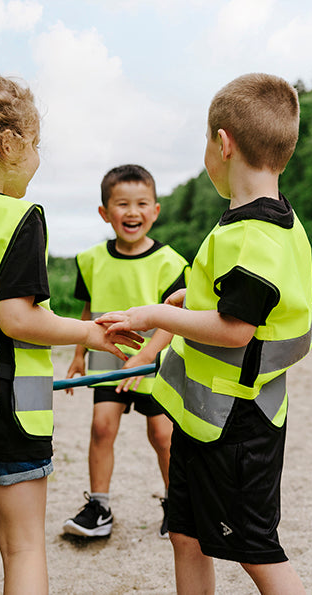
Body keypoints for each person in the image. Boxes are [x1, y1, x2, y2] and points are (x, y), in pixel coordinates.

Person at [0, 71, 141, 595]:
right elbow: (16, 319)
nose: (38, 155)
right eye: (35, 143)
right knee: (24, 547)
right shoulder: (19, 217)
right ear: (10, 144)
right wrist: (90, 334)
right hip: (6, 413)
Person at [97, 73, 312, 594]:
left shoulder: (255, 237)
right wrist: (186, 302)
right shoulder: (249, 224)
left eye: (204, 141)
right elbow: (236, 302)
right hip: (202, 420)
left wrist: (155, 315)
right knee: (185, 535)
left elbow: (236, 329)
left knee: (257, 551)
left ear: (223, 143)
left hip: (239, 424)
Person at [62, 165, 188, 540]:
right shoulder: (90, 260)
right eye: (122, 204)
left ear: (155, 211)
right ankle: (99, 506)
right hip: (108, 359)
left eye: (141, 203)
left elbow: (175, 319)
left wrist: (146, 356)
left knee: (162, 435)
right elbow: (87, 312)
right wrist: (78, 355)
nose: (132, 212)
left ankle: (176, 503)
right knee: (102, 428)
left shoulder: (172, 262)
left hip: (156, 360)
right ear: (105, 213)